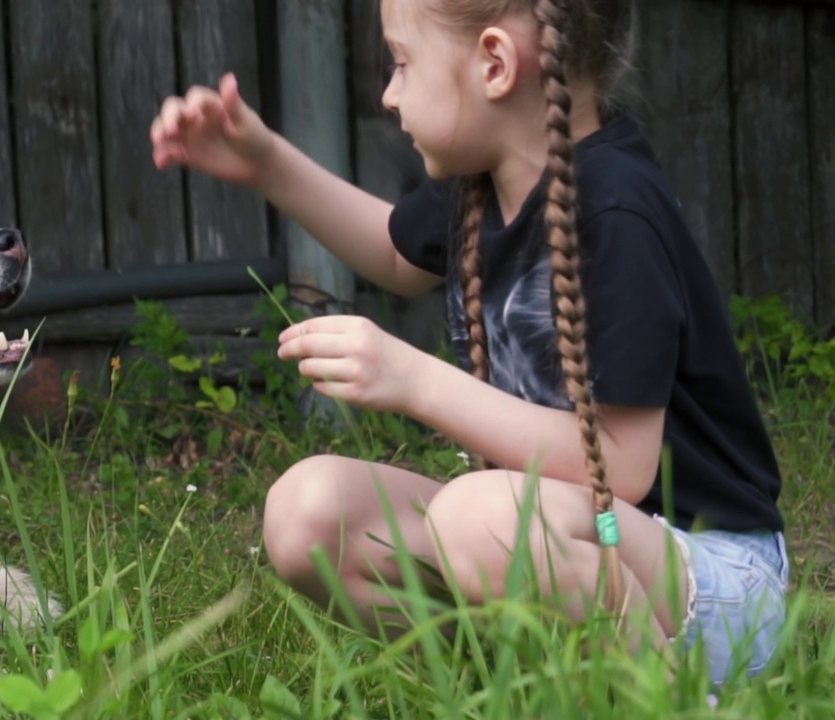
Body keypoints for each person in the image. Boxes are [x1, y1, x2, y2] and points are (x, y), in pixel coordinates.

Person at [149, 0, 787, 684]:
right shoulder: (482, 186)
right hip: (558, 540)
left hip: (709, 581)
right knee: (308, 513)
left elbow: (625, 467)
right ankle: (520, 685)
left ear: (494, 63)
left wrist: (416, 381)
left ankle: (666, 699)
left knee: (480, 517)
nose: (389, 95)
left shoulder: (615, 209)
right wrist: (266, 162)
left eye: (400, 62)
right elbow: (395, 254)